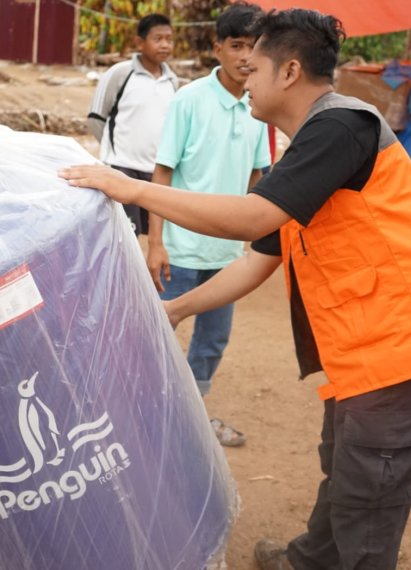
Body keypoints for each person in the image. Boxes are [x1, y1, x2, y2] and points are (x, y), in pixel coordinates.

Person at [60, 8, 411, 570]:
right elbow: (260, 257)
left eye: (254, 66)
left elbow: (251, 218)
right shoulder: (313, 144)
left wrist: (131, 190)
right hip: (367, 351)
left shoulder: (342, 126)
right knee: (346, 467)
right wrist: (177, 308)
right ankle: (309, 560)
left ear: (289, 71)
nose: (245, 76)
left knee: (370, 497)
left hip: (404, 351)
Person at [150, 3, 270, 447]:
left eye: (254, 46)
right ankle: (144, 413)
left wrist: (253, 241)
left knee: (213, 339)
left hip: (227, 254)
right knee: (159, 332)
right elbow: (162, 173)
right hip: (180, 248)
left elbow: (258, 177)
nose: (245, 56)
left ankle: (191, 417)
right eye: (236, 45)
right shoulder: (189, 100)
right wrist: (156, 243)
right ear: (217, 48)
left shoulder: (260, 106)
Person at [87, 13, 177, 235]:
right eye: (158, 39)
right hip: (122, 169)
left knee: (152, 233)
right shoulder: (120, 73)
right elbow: (96, 118)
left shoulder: (172, 81)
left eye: (169, 39)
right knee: (125, 234)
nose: (165, 45)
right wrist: (115, 152)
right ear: (140, 42)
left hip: (155, 172)